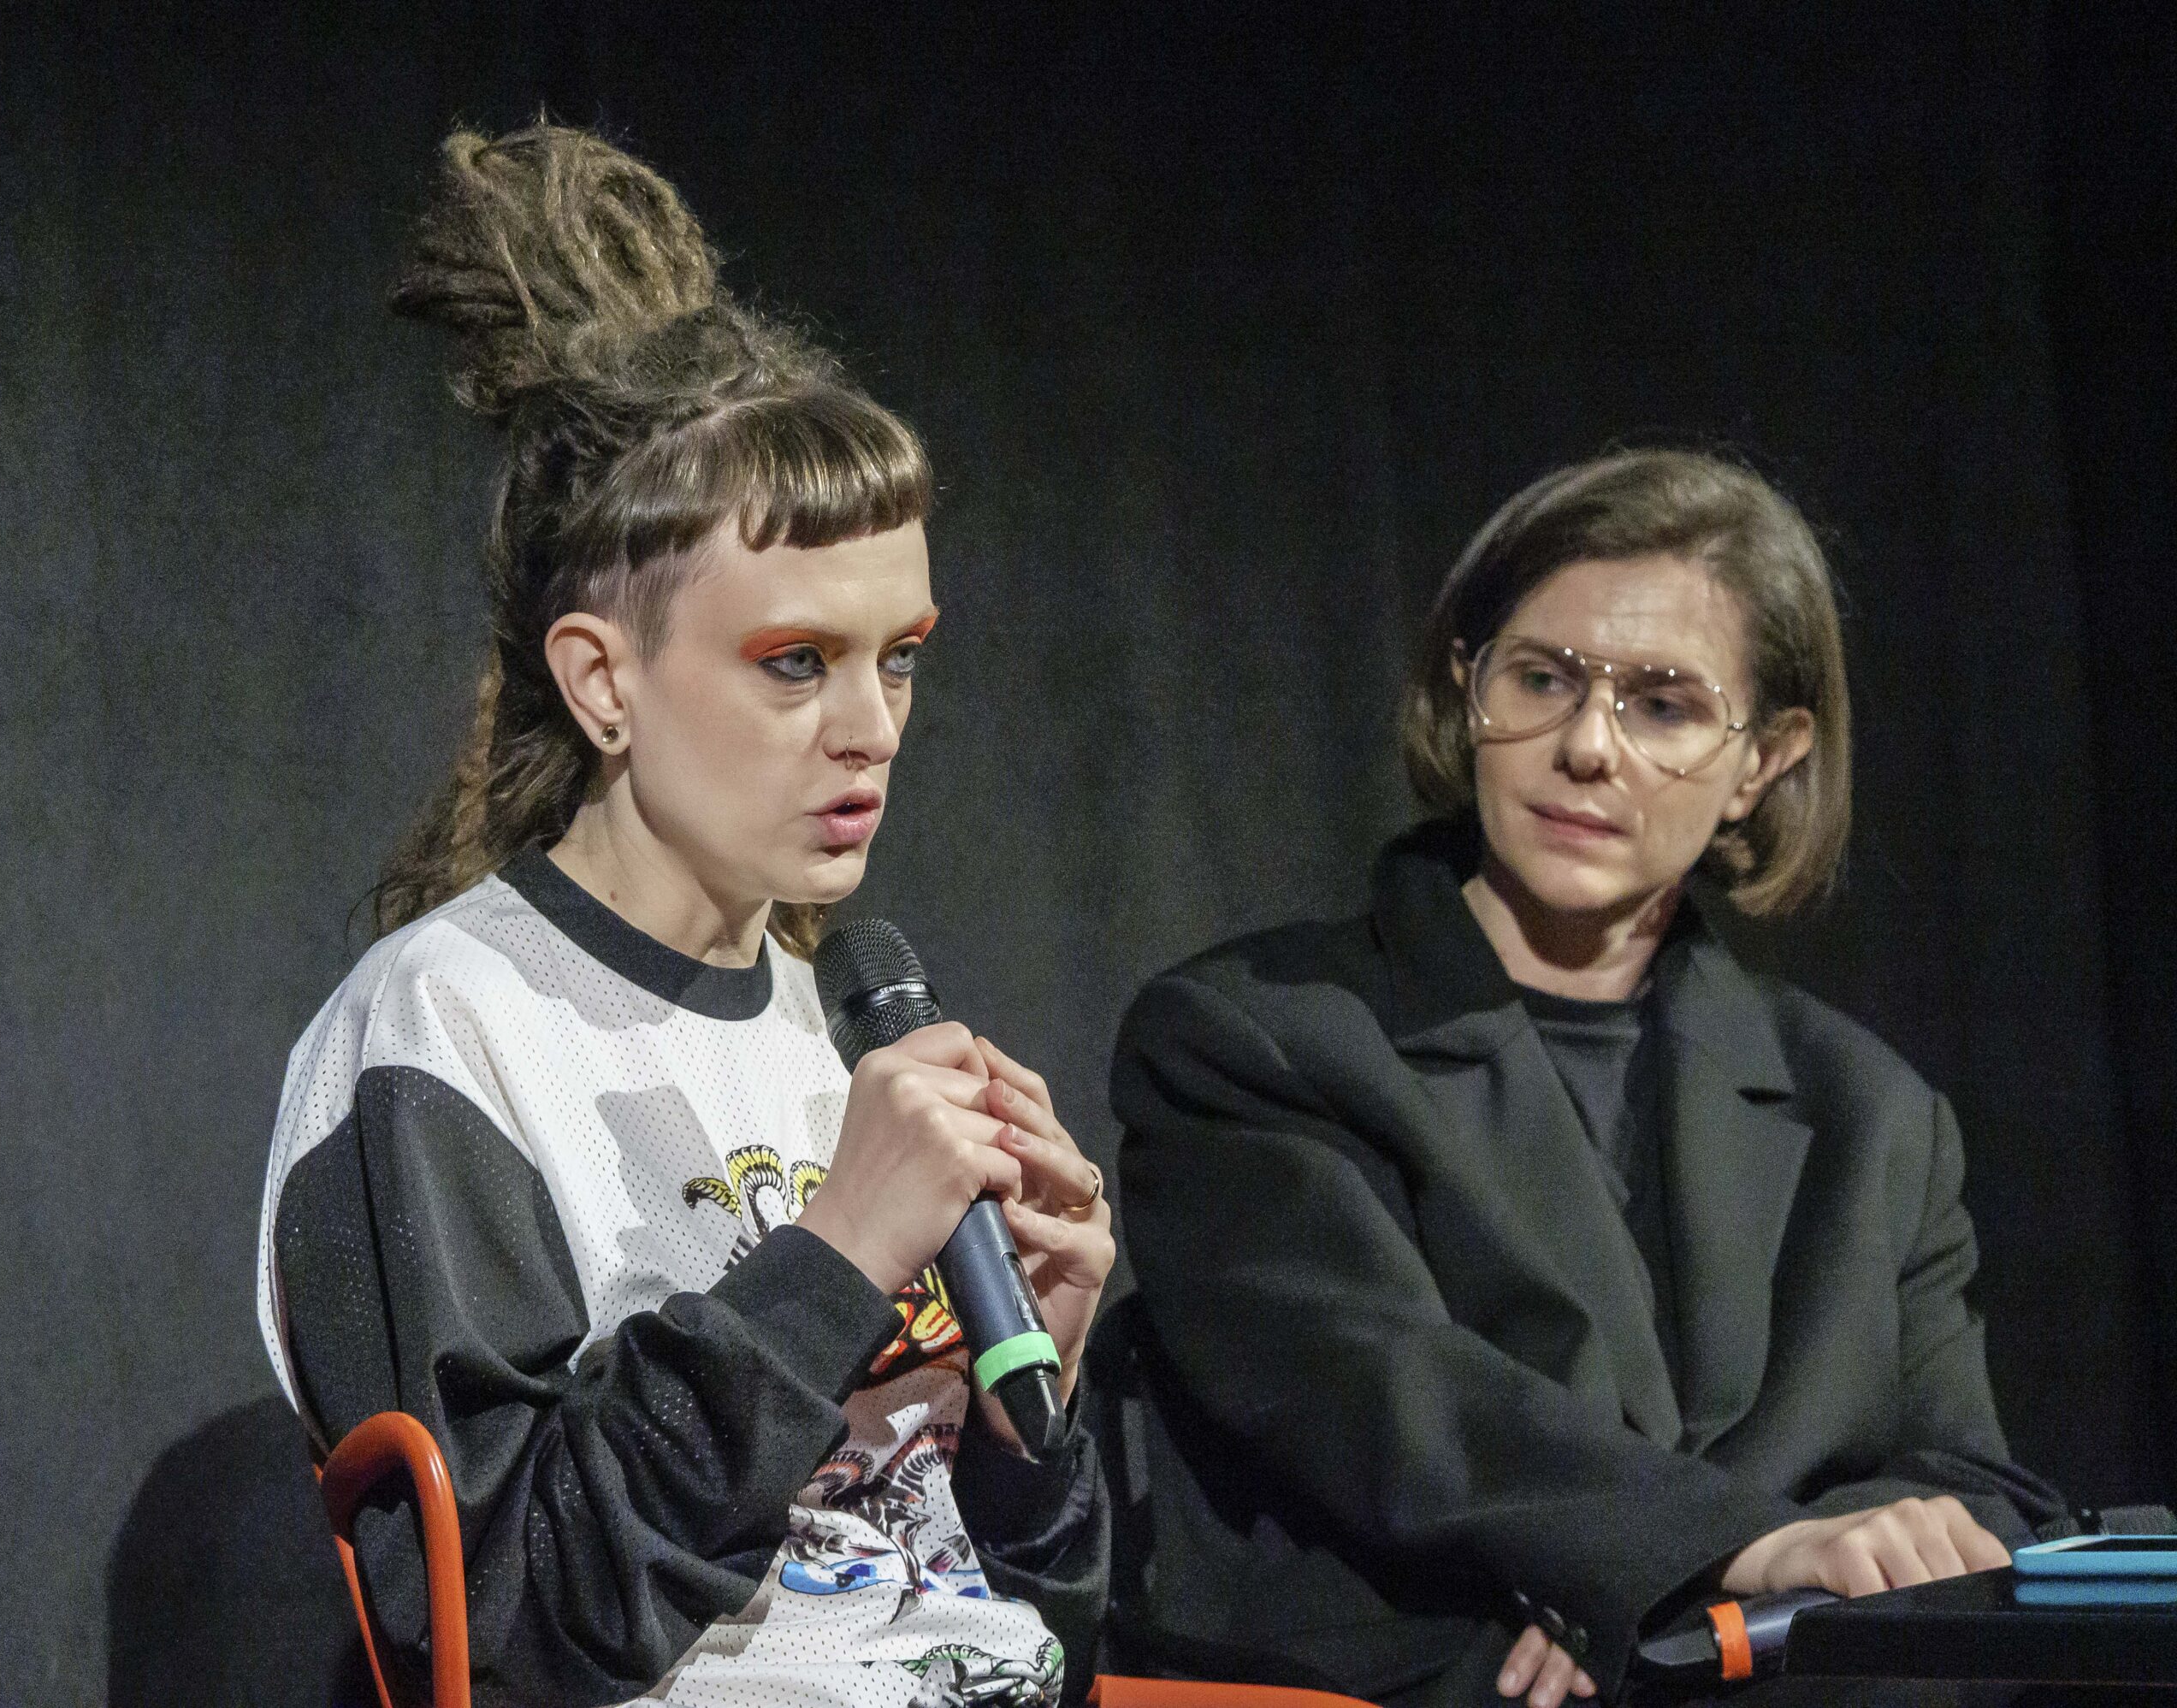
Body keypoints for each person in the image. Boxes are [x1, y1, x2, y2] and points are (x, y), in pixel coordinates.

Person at [256, 124, 1113, 1708]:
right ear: (604, 681)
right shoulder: (446, 1026)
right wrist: (835, 1258)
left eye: (899, 657)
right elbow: (505, 1616)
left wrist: (1027, 1410)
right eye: (796, 662)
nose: (873, 727)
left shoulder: (836, 1026)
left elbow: (1032, 1624)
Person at [1107, 450, 2068, 1708]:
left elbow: (1967, 1483)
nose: (1586, 747)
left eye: (1663, 706)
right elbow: (1387, 1401)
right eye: (1544, 679)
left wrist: (1718, 1596)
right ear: (1466, 689)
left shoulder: (1870, 1113)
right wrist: (1684, 1562)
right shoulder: (1248, 1037)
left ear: (1765, 760)